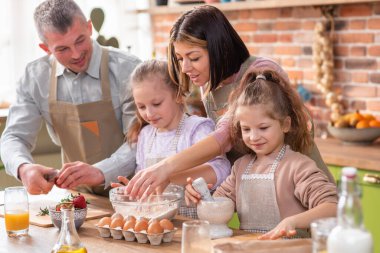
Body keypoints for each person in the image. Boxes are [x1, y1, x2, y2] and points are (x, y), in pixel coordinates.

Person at [125, 5, 334, 198]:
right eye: (180, 59)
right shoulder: (209, 85)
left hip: (302, 187)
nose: (185, 68)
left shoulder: (260, 72)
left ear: (219, 48)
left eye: (194, 57)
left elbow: (225, 136)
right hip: (259, 188)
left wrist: (166, 168)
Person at [0, 0, 141, 196]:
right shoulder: (35, 76)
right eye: (62, 49)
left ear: (89, 27)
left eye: (80, 40)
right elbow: (14, 136)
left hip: (133, 193)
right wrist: (23, 168)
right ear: (45, 48)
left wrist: (101, 171)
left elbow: (142, 141)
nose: (76, 54)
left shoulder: (129, 69)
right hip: (77, 197)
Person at [185, 69, 338, 239]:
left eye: (263, 128)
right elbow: (219, 205)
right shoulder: (240, 168)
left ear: (285, 124)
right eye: (246, 129)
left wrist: (293, 222)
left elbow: (332, 207)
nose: (254, 136)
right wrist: (201, 198)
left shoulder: (298, 166)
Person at [115, 59, 230, 218]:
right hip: (158, 227)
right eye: (141, 106)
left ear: (177, 95)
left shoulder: (196, 129)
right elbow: (146, 182)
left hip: (193, 226)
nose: (149, 114)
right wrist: (133, 191)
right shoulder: (146, 135)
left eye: (156, 104)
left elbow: (223, 169)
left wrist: (171, 178)